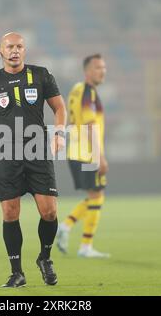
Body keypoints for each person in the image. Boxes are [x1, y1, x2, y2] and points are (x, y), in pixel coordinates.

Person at [0, 32, 67, 287]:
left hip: (37, 150)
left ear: (25, 50)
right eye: (10, 46)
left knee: (50, 211)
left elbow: (60, 108)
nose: (15, 50)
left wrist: (60, 134)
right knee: (10, 213)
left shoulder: (42, 75)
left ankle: (45, 257)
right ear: (0, 51)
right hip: (5, 153)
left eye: (19, 46)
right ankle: (17, 272)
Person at [56, 54, 110, 258]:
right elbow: (89, 125)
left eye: (104, 67)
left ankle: (67, 227)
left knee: (94, 195)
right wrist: (100, 157)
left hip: (75, 152)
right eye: (98, 67)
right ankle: (83, 244)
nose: (102, 71)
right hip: (87, 154)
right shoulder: (89, 93)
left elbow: (72, 122)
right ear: (87, 71)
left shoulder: (76, 90)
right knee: (97, 196)